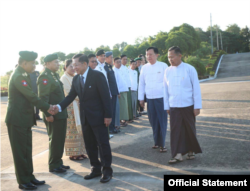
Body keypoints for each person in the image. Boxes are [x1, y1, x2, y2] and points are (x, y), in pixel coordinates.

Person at [54, 54, 113, 183]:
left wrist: (108, 116)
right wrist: (58, 107)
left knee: (103, 145)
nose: (74, 67)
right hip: (85, 118)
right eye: (73, 65)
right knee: (90, 145)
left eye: (76, 65)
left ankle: (107, 171)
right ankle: (95, 169)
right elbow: (70, 97)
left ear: (85, 64)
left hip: (99, 118)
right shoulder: (76, 79)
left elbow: (106, 97)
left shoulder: (97, 76)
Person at [5, 51, 54, 190]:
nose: (34, 66)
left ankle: (30, 177)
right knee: (20, 152)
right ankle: (23, 181)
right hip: (17, 119)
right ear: (24, 63)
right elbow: (31, 96)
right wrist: (48, 107)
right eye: (32, 63)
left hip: (24, 119)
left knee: (26, 150)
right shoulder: (18, 76)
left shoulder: (24, 74)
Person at [163, 46, 202, 164]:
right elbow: (165, 89)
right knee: (176, 131)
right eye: (168, 57)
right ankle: (177, 154)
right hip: (174, 105)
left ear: (180, 56)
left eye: (172, 57)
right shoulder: (167, 71)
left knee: (189, 129)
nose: (170, 59)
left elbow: (196, 88)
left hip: (188, 105)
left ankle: (191, 150)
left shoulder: (189, 69)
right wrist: (167, 106)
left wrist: (197, 106)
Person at [37, 53, 69, 173]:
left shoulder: (54, 75)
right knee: (55, 139)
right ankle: (53, 165)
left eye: (58, 62)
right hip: (52, 115)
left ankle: (58, 162)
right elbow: (42, 98)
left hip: (60, 114)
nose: (58, 64)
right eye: (55, 62)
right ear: (47, 63)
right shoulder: (45, 77)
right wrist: (47, 114)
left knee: (60, 139)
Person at [138, 47, 168, 153]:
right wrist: (141, 99)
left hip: (161, 98)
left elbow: (168, 83)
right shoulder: (144, 68)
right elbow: (141, 83)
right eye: (147, 54)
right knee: (153, 121)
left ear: (157, 55)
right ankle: (156, 142)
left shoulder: (163, 66)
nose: (148, 57)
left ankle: (162, 144)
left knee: (162, 121)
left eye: (151, 54)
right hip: (150, 98)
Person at [60, 59, 87, 160]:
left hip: (79, 106)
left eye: (74, 66)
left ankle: (80, 152)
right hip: (71, 108)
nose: (73, 68)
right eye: (70, 66)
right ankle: (73, 153)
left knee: (80, 130)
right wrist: (81, 97)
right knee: (72, 130)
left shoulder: (76, 77)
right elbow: (68, 93)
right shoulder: (64, 78)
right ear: (65, 67)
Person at [104, 51, 120, 134]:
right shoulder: (105, 67)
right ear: (106, 58)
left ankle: (113, 126)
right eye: (110, 57)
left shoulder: (109, 67)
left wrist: (117, 92)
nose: (112, 59)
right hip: (110, 92)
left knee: (114, 110)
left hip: (113, 92)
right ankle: (110, 127)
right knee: (111, 110)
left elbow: (114, 81)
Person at [113, 57, 130, 125]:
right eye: (117, 62)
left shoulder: (119, 70)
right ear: (114, 63)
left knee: (124, 107)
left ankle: (123, 120)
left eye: (120, 62)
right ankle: (120, 121)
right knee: (121, 107)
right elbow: (115, 82)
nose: (119, 63)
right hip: (120, 91)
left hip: (124, 90)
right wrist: (118, 92)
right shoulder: (114, 70)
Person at [120, 55, 134, 123]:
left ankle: (129, 117)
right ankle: (124, 118)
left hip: (128, 87)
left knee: (129, 103)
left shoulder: (126, 67)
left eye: (126, 59)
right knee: (125, 104)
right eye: (124, 59)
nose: (125, 61)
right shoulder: (120, 68)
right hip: (123, 88)